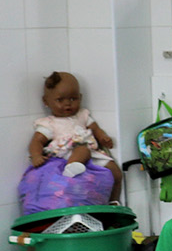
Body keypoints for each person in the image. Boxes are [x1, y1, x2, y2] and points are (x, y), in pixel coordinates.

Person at [30, 71, 122, 203]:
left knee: (116, 172)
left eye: (73, 99)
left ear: (80, 97)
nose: (68, 104)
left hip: (92, 153)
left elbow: (96, 129)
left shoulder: (83, 115)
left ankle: (113, 202)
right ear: (46, 101)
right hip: (66, 154)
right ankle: (71, 169)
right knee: (82, 149)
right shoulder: (49, 123)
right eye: (60, 100)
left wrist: (103, 138)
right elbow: (37, 141)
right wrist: (36, 155)